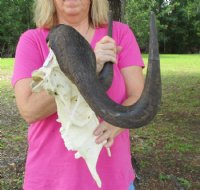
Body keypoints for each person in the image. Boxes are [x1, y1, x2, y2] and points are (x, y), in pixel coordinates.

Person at [12, 0, 144, 189]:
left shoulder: (119, 34)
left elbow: (137, 95)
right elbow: (29, 110)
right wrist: (88, 68)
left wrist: (118, 121)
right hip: (50, 179)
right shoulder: (32, 40)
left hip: (113, 179)